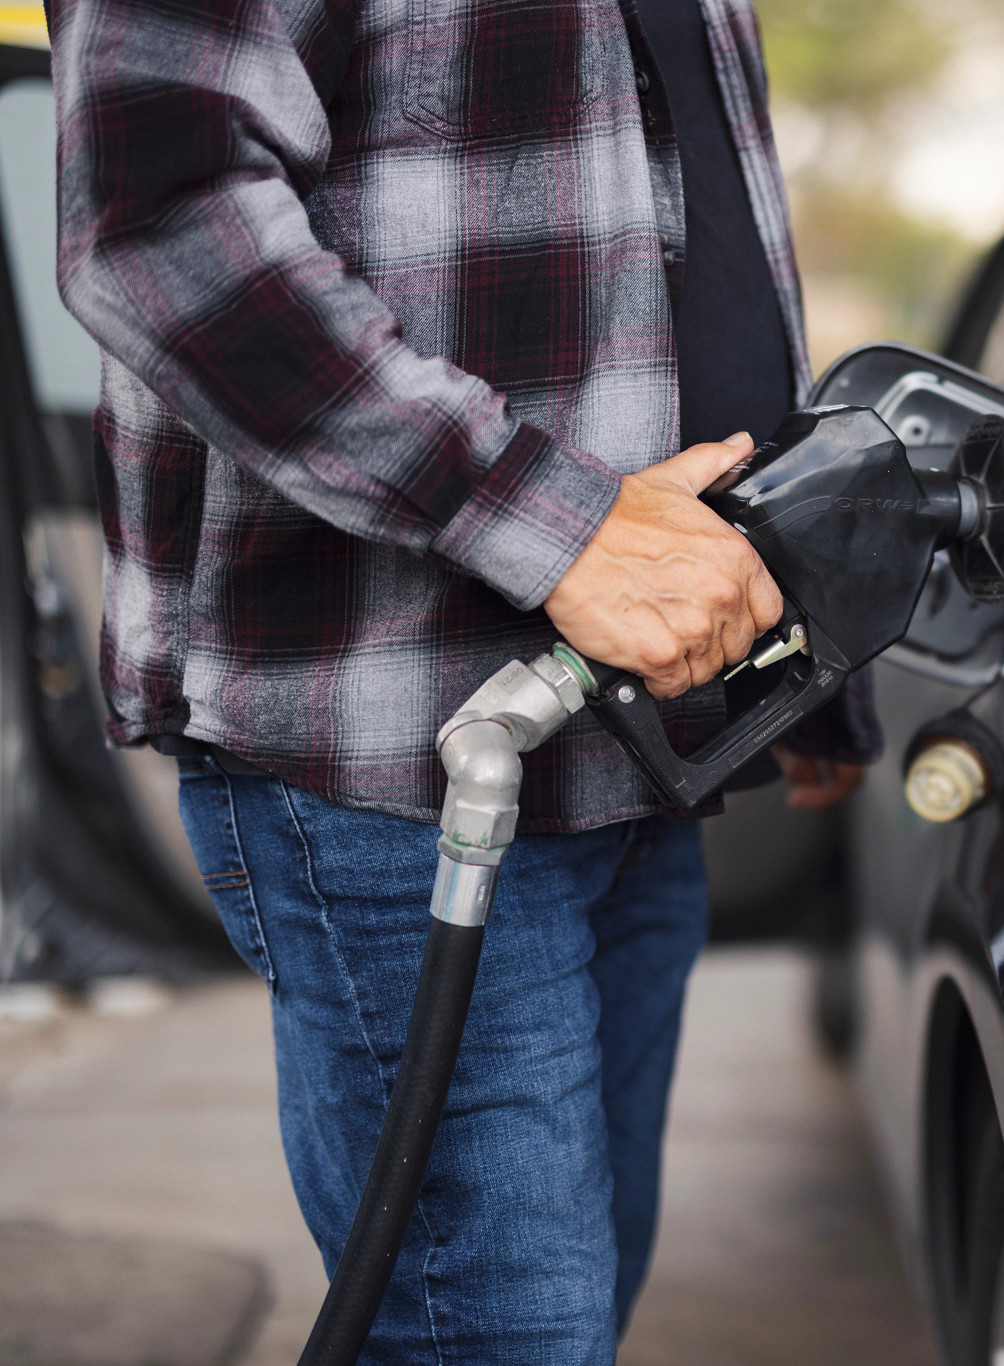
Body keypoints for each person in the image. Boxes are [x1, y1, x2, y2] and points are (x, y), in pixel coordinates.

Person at [50, 0, 873, 1355]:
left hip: (640, 742)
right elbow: (159, 227)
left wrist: (791, 638)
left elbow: (701, 217)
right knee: (499, 1336)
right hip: (396, 748)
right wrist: (562, 525)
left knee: (571, 1311)